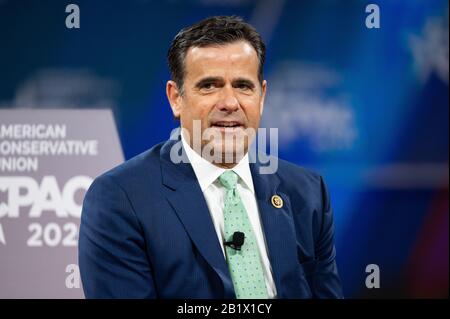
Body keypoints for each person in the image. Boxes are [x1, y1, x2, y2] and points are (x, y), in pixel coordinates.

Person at [78, 15, 343, 299]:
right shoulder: (121, 198)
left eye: (243, 86)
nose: (229, 103)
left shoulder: (307, 192)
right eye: (209, 86)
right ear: (175, 98)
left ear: (262, 96)